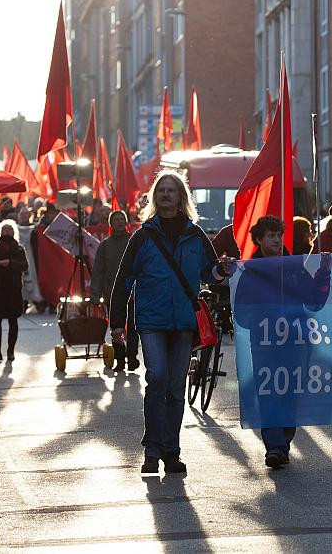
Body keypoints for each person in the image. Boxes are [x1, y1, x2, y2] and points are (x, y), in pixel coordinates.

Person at [110, 171, 234, 475]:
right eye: (161, 190)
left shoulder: (196, 234)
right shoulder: (143, 236)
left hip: (183, 322)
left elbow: (210, 273)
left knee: (176, 387)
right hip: (151, 321)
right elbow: (123, 281)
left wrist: (223, 269)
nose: (166, 195)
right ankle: (151, 452)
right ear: (155, 197)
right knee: (158, 379)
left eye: (172, 190)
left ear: (181, 197)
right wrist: (116, 323)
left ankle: (171, 451)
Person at [235, 215, 332, 469]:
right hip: (265, 343)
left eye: (279, 235)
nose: (276, 240)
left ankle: (284, 442)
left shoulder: (294, 268)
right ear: (259, 240)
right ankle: (274, 446)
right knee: (269, 391)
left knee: (290, 392)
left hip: (295, 341)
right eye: (270, 235)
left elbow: (314, 301)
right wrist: (262, 316)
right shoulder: (250, 273)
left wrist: (324, 273)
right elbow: (241, 315)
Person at [91, 210, 139, 371]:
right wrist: (95, 295)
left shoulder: (133, 242)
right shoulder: (105, 246)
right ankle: (119, 359)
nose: (119, 222)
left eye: (122, 219)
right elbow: (98, 272)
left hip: (134, 294)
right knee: (116, 328)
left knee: (134, 327)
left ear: (126, 222)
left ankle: (132, 357)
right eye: (116, 219)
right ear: (111, 224)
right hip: (112, 294)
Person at [0, 219, 28, 362]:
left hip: (14, 288)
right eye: (4, 229)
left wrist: (10, 263)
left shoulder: (19, 248)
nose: (7, 231)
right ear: (0, 231)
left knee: (13, 321)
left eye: (10, 229)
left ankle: (11, 350)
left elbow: (25, 265)